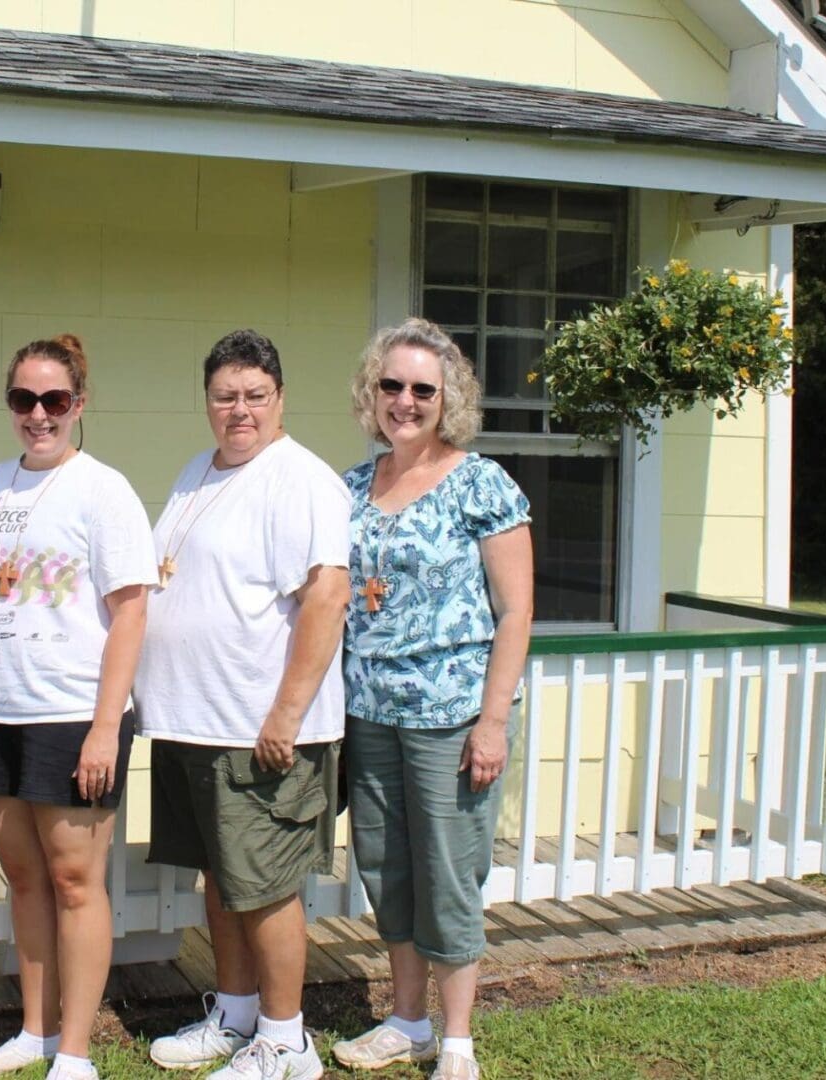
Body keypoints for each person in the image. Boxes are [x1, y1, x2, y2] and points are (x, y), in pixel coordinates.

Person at [138, 329, 350, 1080]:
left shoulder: (300, 479)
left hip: (259, 728)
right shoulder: (201, 471)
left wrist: (285, 716)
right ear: (208, 402)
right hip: (195, 721)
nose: (239, 410)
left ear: (280, 398)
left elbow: (328, 596)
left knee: (265, 889)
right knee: (222, 882)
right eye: (225, 396)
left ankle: (287, 1042)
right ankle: (234, 1014)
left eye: (255, 396)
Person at [0, 334, 156, 1080]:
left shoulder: (103, 490)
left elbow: (130, 611)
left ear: (78, 405)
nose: (39, 415)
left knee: (75, 883)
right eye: (24, 400)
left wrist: (106, 727)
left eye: (54, 401)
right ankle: (32, 1033)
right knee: (25, 881)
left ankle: (74, 1050)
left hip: (71, 716)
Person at [331, 319, 533, 1080]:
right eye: (392, 386)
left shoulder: (481, 483)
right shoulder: (352, 486)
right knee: (389, 872)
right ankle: (405, 1020)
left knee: (449, 874)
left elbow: (515, 611)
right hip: (370, 714)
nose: (405, 401)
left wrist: (493, 721)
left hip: (452, 717)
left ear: (448, 398)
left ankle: (456, 1040)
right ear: (371, 393)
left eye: (423, 389)